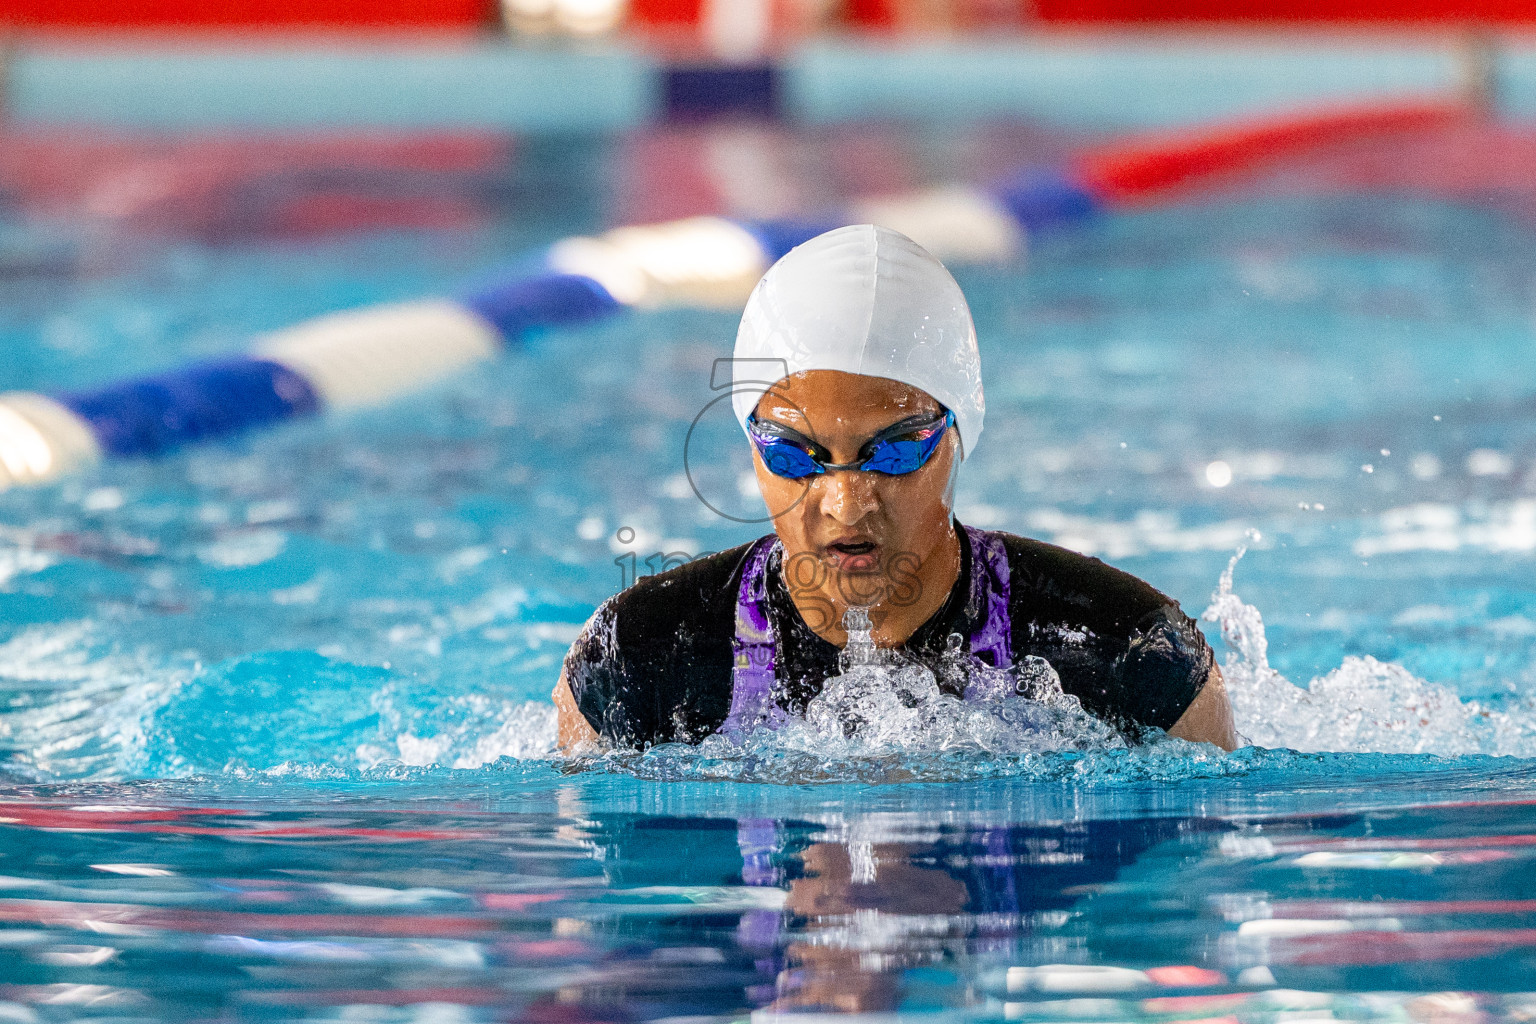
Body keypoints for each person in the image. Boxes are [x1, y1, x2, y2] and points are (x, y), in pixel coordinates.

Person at [554, 224, 1239, 752]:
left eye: (892, 452)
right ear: (750, 446)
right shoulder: (635, 661)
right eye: (795, 455)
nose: (846, 502)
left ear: (956, 436)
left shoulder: (1128, 656)